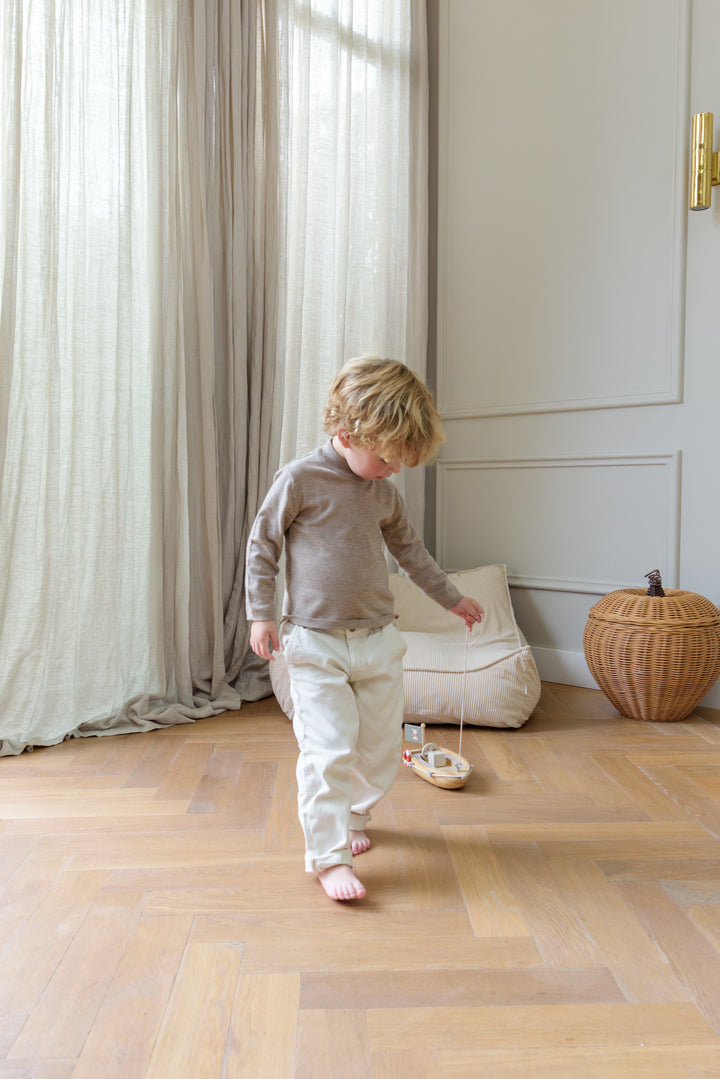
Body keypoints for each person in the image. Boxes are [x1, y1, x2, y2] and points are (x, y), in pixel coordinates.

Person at [245, 358, 484, 901]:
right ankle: (327, 858)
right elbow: (263, 546)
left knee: (378, 749)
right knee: (328, 749)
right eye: (387, 457)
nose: (395, 470)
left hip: (377, 639)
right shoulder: (300, 479)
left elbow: (411, 552)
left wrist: (453, 599)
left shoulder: (382, 491)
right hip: (315, 640)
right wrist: (261, 612)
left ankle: (354, 816)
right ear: (346, 434)